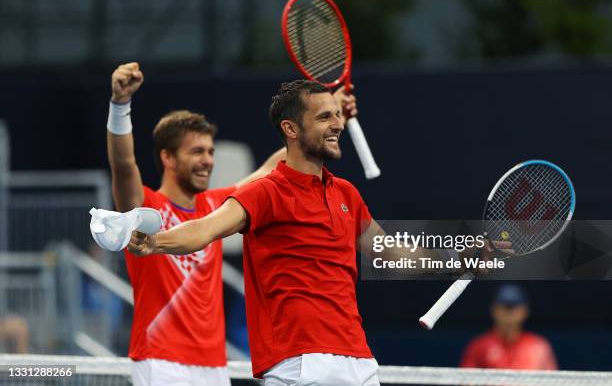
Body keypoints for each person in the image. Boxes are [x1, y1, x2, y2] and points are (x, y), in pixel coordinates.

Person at [126, 80, 499, 385]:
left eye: (337, 115)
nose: (337, 124)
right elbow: (204, 230)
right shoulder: (264, 192)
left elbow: (389, 252)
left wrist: (457, 255)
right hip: (300, 364)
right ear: (291, 129)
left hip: (358, 359)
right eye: (324, 117)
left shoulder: (346, 194)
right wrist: (155, 242)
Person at [108, 65, 355, 386]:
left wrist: (327, 118)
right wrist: (120, 106)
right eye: (196, 151)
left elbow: (279, 162)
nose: (208, 160)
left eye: (210, 151)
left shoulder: (218, 204)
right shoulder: (146, 210)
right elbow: (124, 165)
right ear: (167, 158)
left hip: (214, 366)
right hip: (161, 361)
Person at [460, 284, 557, 370]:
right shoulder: (479, 346)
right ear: (494, 310)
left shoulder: (539, 346)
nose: (509, 313)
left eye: (514, 307)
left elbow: (552, 382)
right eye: (505, 307)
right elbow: (466, 380)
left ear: (524, 311)